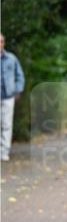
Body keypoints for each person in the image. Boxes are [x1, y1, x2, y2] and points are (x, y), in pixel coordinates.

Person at [0, 33, 25, 162]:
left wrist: (18, 90)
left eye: (1, 41)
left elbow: (19, 76)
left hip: (8, 96)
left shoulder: (11, 58)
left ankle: (4, 152)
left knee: (6, 124)